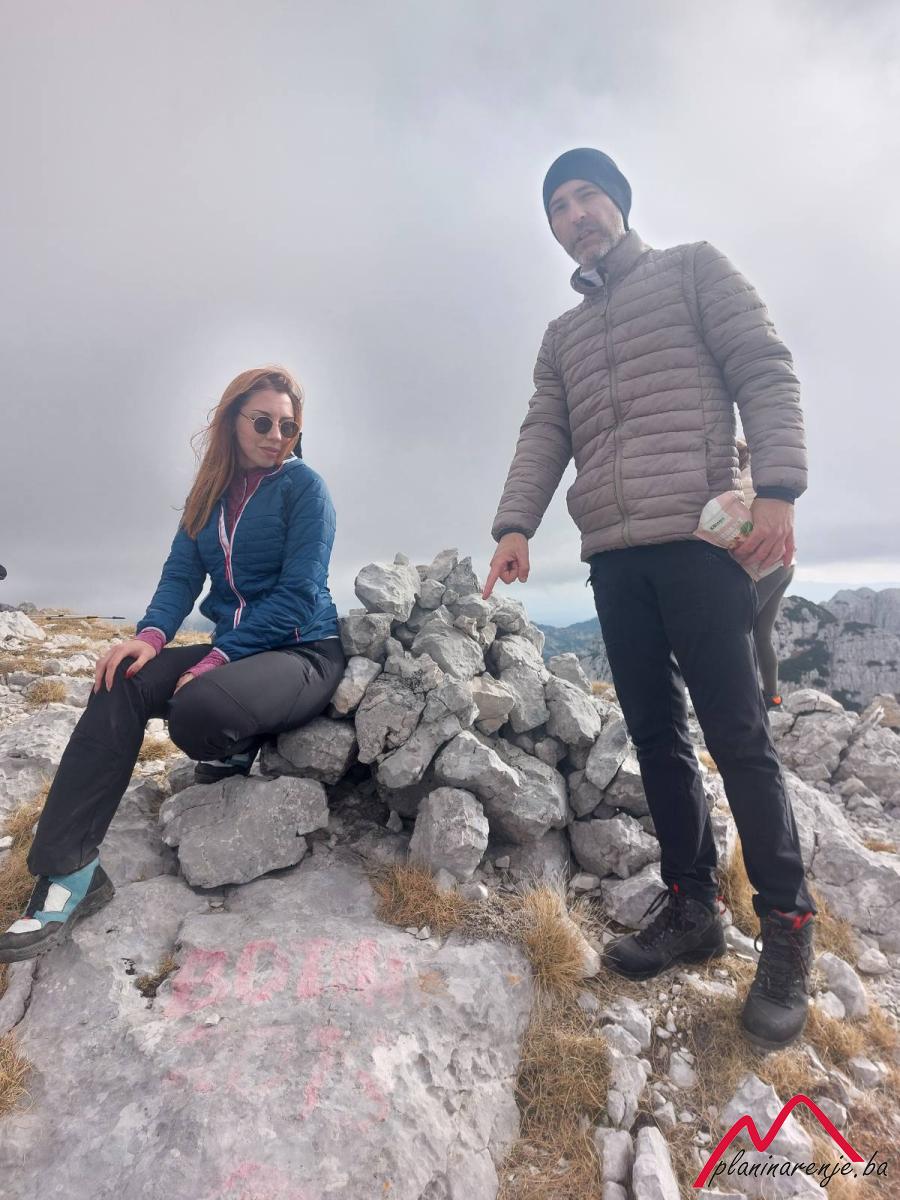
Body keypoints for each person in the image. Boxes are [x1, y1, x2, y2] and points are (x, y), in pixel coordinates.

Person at [483, 148, 815, 1049]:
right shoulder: (562, 336)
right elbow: (544, 431)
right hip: (615, 555)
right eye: (558, 206)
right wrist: (515, 524)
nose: (575, 215)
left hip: (704, 543)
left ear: (619, 203)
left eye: (587, 195)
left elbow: (764, 367)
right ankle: (692, 906)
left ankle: (788, 930)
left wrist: (778, 488)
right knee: (658, 738)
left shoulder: (694, 269)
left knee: (737, 738)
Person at [0, 366, 345, 963]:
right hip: (238, 650)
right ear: (232, 422)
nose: (276, 436)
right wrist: (151, 637)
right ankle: (69, 872)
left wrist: (218, 657)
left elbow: (299, 594)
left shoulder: (304, 489)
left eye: (288, 427)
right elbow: (181, 576)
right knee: (121, 678)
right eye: (263, 422)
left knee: (198, 709)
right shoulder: (208, 495)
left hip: (302, 650)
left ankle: (236, 742)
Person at [737, 437, 795, 711]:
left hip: (766, 566)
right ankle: (772, 696)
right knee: (762, 633)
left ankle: (746, 694)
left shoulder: (740, 486)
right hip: (786, 565)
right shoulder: (761, 482)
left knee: (739, 627)